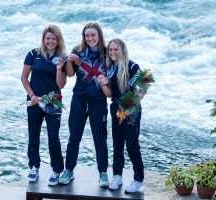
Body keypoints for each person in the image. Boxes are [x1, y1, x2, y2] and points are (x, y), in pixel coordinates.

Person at [58, 22, 109, 187]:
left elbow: (115, 72)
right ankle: (69, 170)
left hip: (98, 102)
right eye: (87, 36)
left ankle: (103, 173)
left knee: (99, 139)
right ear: (84, 37)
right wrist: (71, 61)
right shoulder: (77, 50)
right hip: (79, 100)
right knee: (74, 137)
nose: (90, 38)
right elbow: (71, 74)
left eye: (93, 35)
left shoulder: (107, 52)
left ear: (99, 35)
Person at [21, 24, 67, 185]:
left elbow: (61, 85)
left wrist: (60, 69)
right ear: (43, 39)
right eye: (47, 38)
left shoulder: (63, 58)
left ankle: (56, 170)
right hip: (34, 102)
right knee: (33, 136)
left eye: (53, 39)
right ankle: (34, 167)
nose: (50, 41)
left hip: (53, 103)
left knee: (53, 137)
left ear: (58, 40)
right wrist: (32, 95)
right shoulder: (33, 54)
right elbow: (24, 77)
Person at [98, 38, 145, 193]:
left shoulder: (132, 66)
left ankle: (139, 179)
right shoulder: (110, 67)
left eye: (115, 49)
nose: (112, 52)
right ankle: (117, 176)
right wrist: (104, 84)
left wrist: (133, 106)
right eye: (110, 50)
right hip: (116, 110)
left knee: (132, 146)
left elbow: (143, 86)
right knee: (117, 144)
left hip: (131, 112)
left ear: (122, 50)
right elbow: (111, 94)